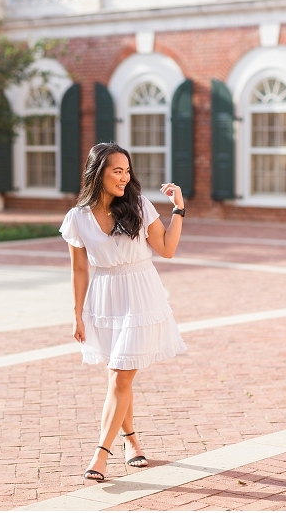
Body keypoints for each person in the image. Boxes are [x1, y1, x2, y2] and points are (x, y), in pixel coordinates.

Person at [60, 142, 187, 482]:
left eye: (127, 170)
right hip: (105, 299)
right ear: (98, 173)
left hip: (141, 294)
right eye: (117, 170)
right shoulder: (77, 218)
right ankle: (132, 441)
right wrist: (77, 313)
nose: (125, 177)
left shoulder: (140, 205)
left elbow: (167, 249)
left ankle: (100, 454)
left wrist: (179, 210)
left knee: (120, 374)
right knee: (119, 375)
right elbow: (79, 270)